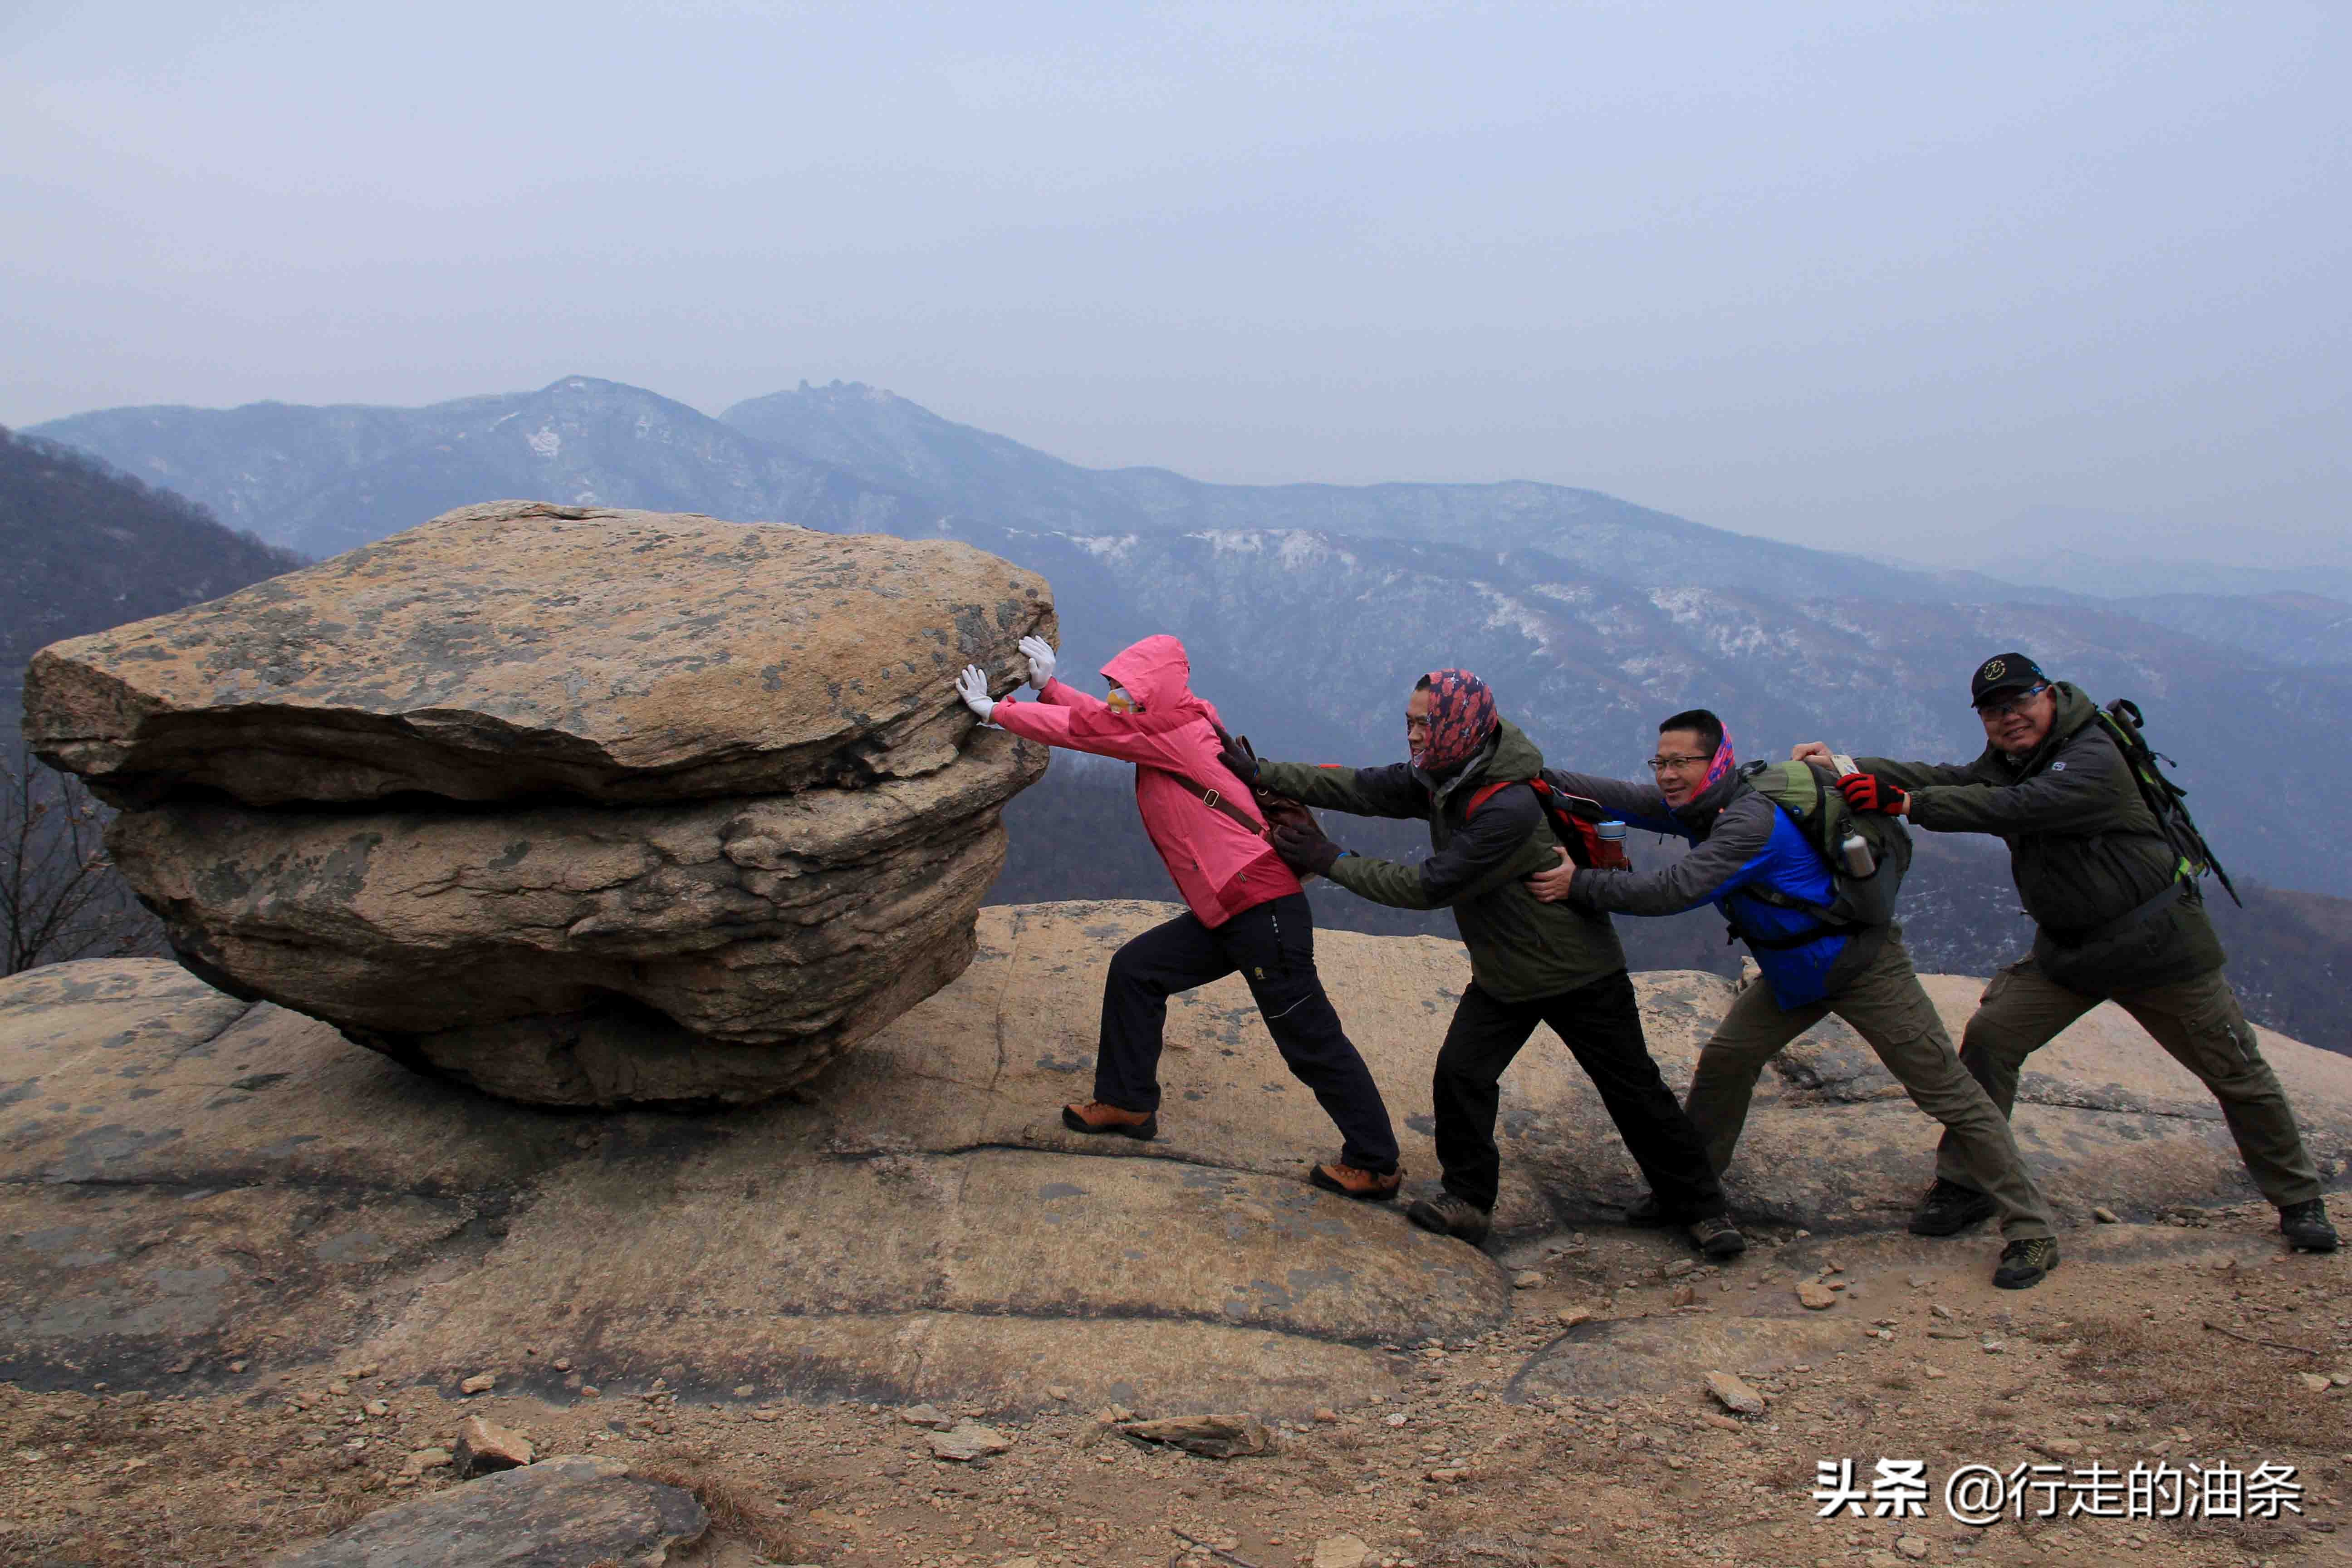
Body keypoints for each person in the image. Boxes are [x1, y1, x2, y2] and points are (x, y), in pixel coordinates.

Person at [1799, 652, 2338, 1253]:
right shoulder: (2014, 760)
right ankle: (1967, 1182)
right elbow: (1952, 778)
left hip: (2159, 948)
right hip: (2071, 953)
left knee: (2236, 1072)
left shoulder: (2092, 757)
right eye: (1994, 711)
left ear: (2050, 694)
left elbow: (2019, 808)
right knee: (1993, 1040)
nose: (2009, 718)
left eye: (2021, 702)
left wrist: (1905, 806)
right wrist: (1843, 766)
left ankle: (2299, 1200)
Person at [1526, 708, 2063, 1290]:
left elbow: (1672, 889)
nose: (1668, 775)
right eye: (1661, 762)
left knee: (1946, 1090)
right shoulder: (1706, 805)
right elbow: (1623, 798)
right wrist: (1528, 774)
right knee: (1728, 1059)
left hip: (1860, 965)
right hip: (1793, 973)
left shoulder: (1748, 821)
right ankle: (1691, 1192)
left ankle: (2032, 1230)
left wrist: (1577, 882)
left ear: (1718, 761)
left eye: (1683, 762)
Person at [1224, 669, 1742, 1258]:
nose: (1415, 735)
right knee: (1461, 1076)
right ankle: (1468, 1202)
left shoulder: (1508, 806)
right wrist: (1262, 773)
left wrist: (1331, 859)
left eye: (1426, 722)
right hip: (1503, 974)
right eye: (1410, 722)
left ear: (1460, 724)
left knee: (1634, 1092)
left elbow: (1429, 884)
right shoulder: (1445, 775)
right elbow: (1363, 787)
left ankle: (1702, 1210)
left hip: (1577, 973)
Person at [955, 633, 1406, 1200]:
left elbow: (1087, 732)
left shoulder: (1171, 732)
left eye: (1125, 688)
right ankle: (1126, 1103)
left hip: (1262, 912)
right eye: (1116, 687)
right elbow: (1101, 720)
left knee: (1309, 1039)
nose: (1116, 696)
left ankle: (1376, 1162)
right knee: (1138, 971)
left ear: (1153, 690)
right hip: (1233, 907)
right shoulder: (1177, 717)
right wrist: (1048, 687)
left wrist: (1001, 711)